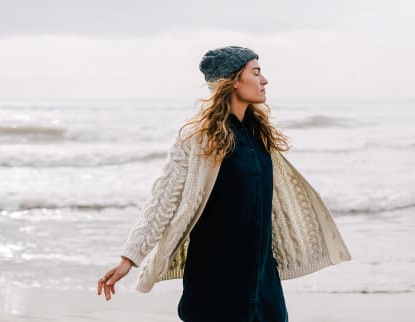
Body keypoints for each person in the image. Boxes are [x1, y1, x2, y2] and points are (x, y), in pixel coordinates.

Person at [97, 46, 351, 322]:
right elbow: (164, 200)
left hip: (263, 279)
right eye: (255, 72)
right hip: (215, 280)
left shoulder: (260, 136)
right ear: (232, 81)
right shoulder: (198, 139)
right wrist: (129, 258)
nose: (264, 80)